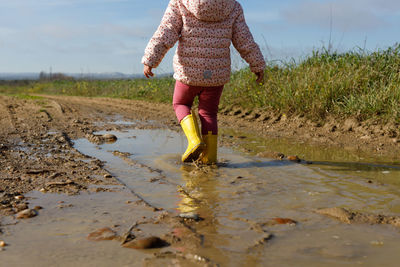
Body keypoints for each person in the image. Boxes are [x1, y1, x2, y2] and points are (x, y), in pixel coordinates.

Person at [142, 0, 265, 164]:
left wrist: (151, 59)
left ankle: (194, 140)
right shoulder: (232, 6)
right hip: (216, 75)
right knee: (209, 114)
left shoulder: (180, 2)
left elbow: (166, 31)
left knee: (180, 104)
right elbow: (245, 40)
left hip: (189, 73)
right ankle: (210, 158)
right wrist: (256, 64)